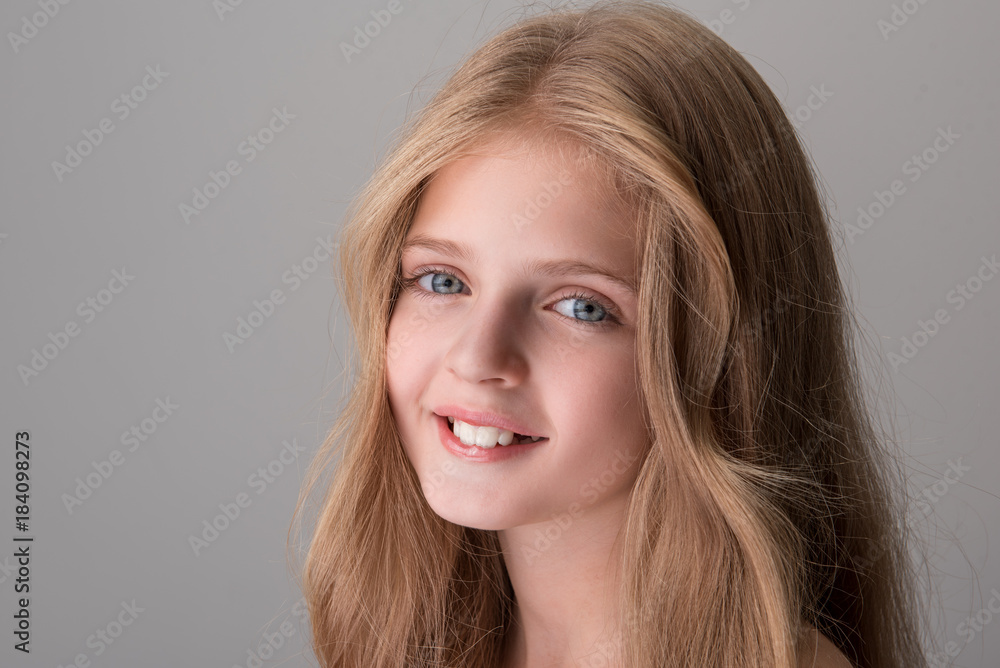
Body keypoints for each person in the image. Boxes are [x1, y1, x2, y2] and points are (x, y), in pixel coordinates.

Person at [293, 1, 926, 666]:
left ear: (718, 360)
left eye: (581, 307)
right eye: (443, 281)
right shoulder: (409, 645)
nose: (477, 358)